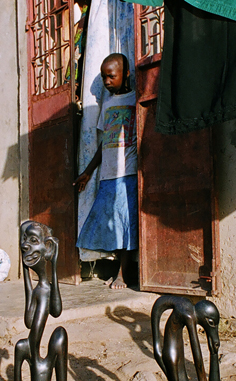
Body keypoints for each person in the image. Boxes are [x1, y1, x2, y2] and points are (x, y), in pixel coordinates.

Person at [73, 52, 137, 289]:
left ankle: (122, 274)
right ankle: (112, 268)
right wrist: (89, 171)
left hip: (127, 172)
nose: (107, 82)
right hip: (108, 175)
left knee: (125, 224)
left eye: (111, 76)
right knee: (107, 223)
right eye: (103, 77)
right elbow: (104, 142)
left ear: (126, 74)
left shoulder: (135, 100)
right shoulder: (108, 103)